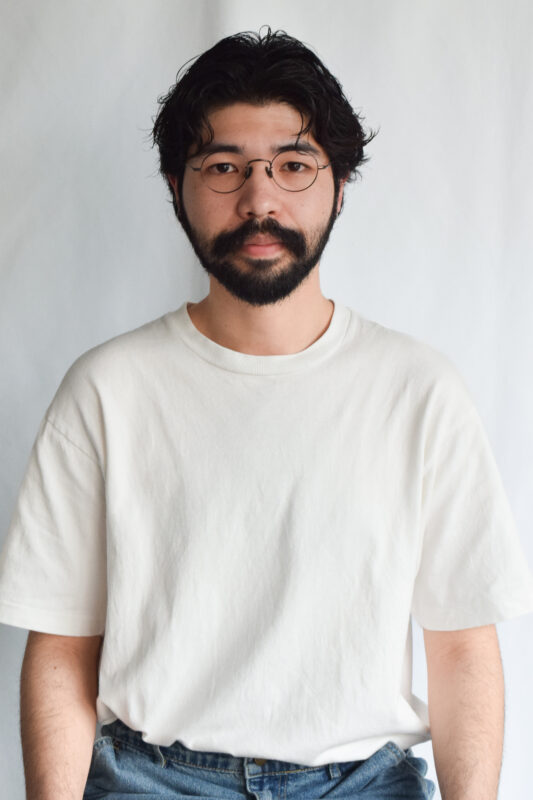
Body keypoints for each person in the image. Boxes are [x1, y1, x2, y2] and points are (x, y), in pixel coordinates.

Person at [1, 27, 532, 800]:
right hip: (152, 778)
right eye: (223, 167)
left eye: (293, 164)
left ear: (338, 186)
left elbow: (461, 648)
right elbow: (60, 646)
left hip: (363, 782)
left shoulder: (419, 391)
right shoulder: (107, 390)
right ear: (175, 188)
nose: (259, 199)